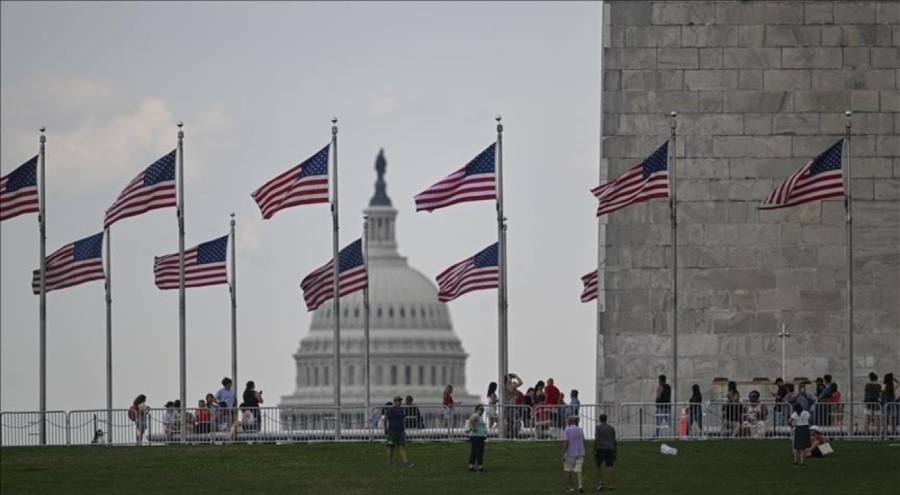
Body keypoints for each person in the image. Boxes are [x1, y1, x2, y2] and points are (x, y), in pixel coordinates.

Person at [383, 396, 413, 468]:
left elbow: (403, 420)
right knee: (391, 447)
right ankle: (389, 462)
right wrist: (385, 429)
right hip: (392, 431)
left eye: (400, 401)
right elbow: (385, 419)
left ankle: (406, 463)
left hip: (400, 431)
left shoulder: (402, 410)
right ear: (395, 402)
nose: (400, 402)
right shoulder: (391, 410)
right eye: (398, 401)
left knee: (402, 447)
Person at [561, 415, 586, 493]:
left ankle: (570, 487)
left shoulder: (567, 430)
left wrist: (563, 453)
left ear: (570, 422)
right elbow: (583, 440)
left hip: (570, 453)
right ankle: (580, 485)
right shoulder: (580, 429)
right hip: (580, 452)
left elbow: (566, 442)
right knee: (579, 470)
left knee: (568, 470)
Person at [593, 413, 617, 492]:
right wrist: (615, 449)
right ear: (606, 419)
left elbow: (597, 438)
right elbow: (614, 439)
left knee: (598, 466)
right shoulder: (611, 428)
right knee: (609, 466)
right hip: (610, 448)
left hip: (601, 448)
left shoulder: (598, 428)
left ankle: (600, 482)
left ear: (600, 419)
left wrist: (594, 448)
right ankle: (611, 484)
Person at [464, 404, 488, 472]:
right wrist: (474, 428)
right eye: (481, 409)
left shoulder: (479, 417)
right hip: (477, 436)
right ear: (477, 409)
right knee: (479, 451)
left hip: (478, 436)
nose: (482, 411)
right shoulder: (476, 415)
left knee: (474, 451)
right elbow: (471, 421)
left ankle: (471, 465)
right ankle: (480, 466)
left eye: (483, 409)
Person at [789, 402, 811, 466]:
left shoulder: (795, 414)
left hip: (798, 428)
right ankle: (802, 461)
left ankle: (795, 460)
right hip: (805, 428)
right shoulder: (806, 413)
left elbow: (789, 422)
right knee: (803, 447)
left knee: (797, 446)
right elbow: (810, 419)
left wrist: (793, 427)